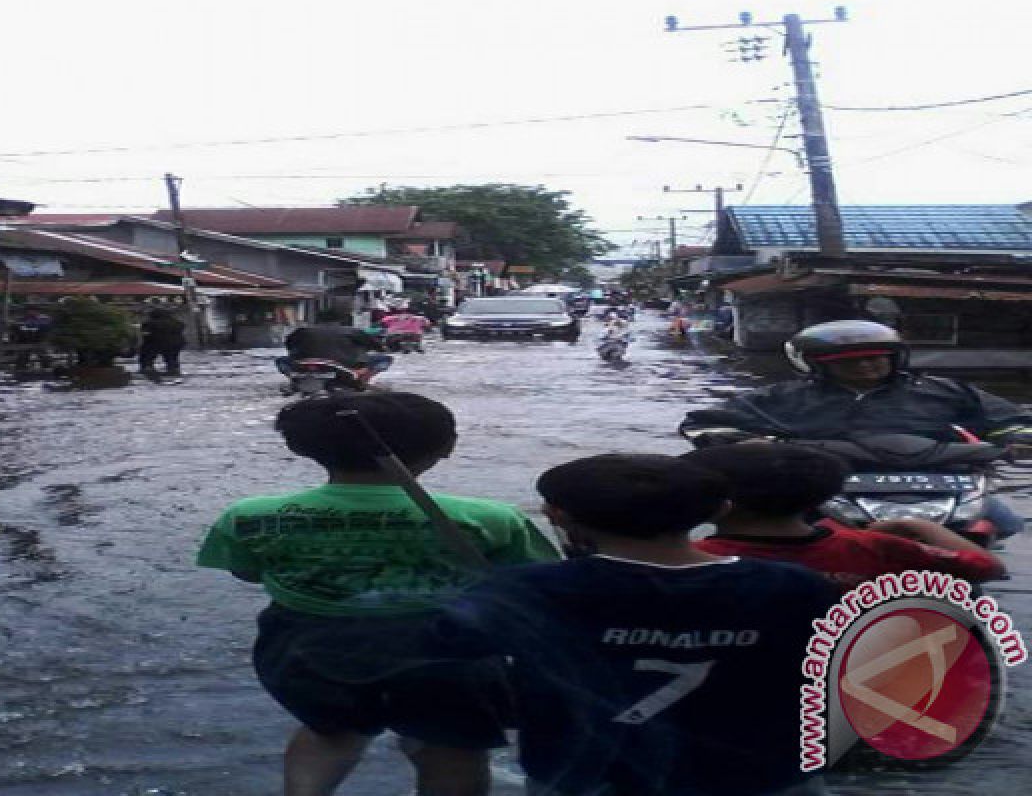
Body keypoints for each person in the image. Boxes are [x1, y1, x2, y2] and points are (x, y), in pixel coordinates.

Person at [197, 392, 561, 796]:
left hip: (308, 649)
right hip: (450, 654)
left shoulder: (252, 516)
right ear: (445, 449)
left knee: (328, 734)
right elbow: (532, 581)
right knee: (452, 748)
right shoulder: (488, 518)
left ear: (304, 447)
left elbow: (246, 572)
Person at [429, 454, 838, 796]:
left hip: (586, 775)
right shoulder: (792, 585)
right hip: (764, 775)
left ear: (558, 516)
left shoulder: (527, 590)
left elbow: (453, 655)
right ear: (720, 511)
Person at [680, 320, 1032, 536]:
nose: (867, 365)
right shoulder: (784, 395)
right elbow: (704, 422)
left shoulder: (944, 389)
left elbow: (1011, 418)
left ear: (895, 357)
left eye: (876, 357)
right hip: (824, 485)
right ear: (816, 365)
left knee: (1006, 526)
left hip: (940, 480)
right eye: (851, 361)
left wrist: (1017, 439)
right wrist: (752, 444)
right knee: (760, 533)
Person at [683, 443, 1006, 591]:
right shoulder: (873, 547)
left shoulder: (691, 559)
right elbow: (987, 568)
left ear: (721, 505)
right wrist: (916, 526)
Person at [282, 324, 392, 384]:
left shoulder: (302, 331)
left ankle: (294, 379)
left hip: (304, 365)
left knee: (281, 360)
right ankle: (361, 379)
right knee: (385, 359)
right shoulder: (353, 331)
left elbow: (289, 344)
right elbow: (378, 347)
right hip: (344, 366)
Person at [139, 308, 186, 376]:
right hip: (176, 344)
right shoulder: (177, 323)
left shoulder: (149, 323)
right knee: (172, 357)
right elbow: (181, 329)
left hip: (156, 343)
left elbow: (145, 335)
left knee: (147, 357)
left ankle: (147, 368)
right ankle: (173, 369)